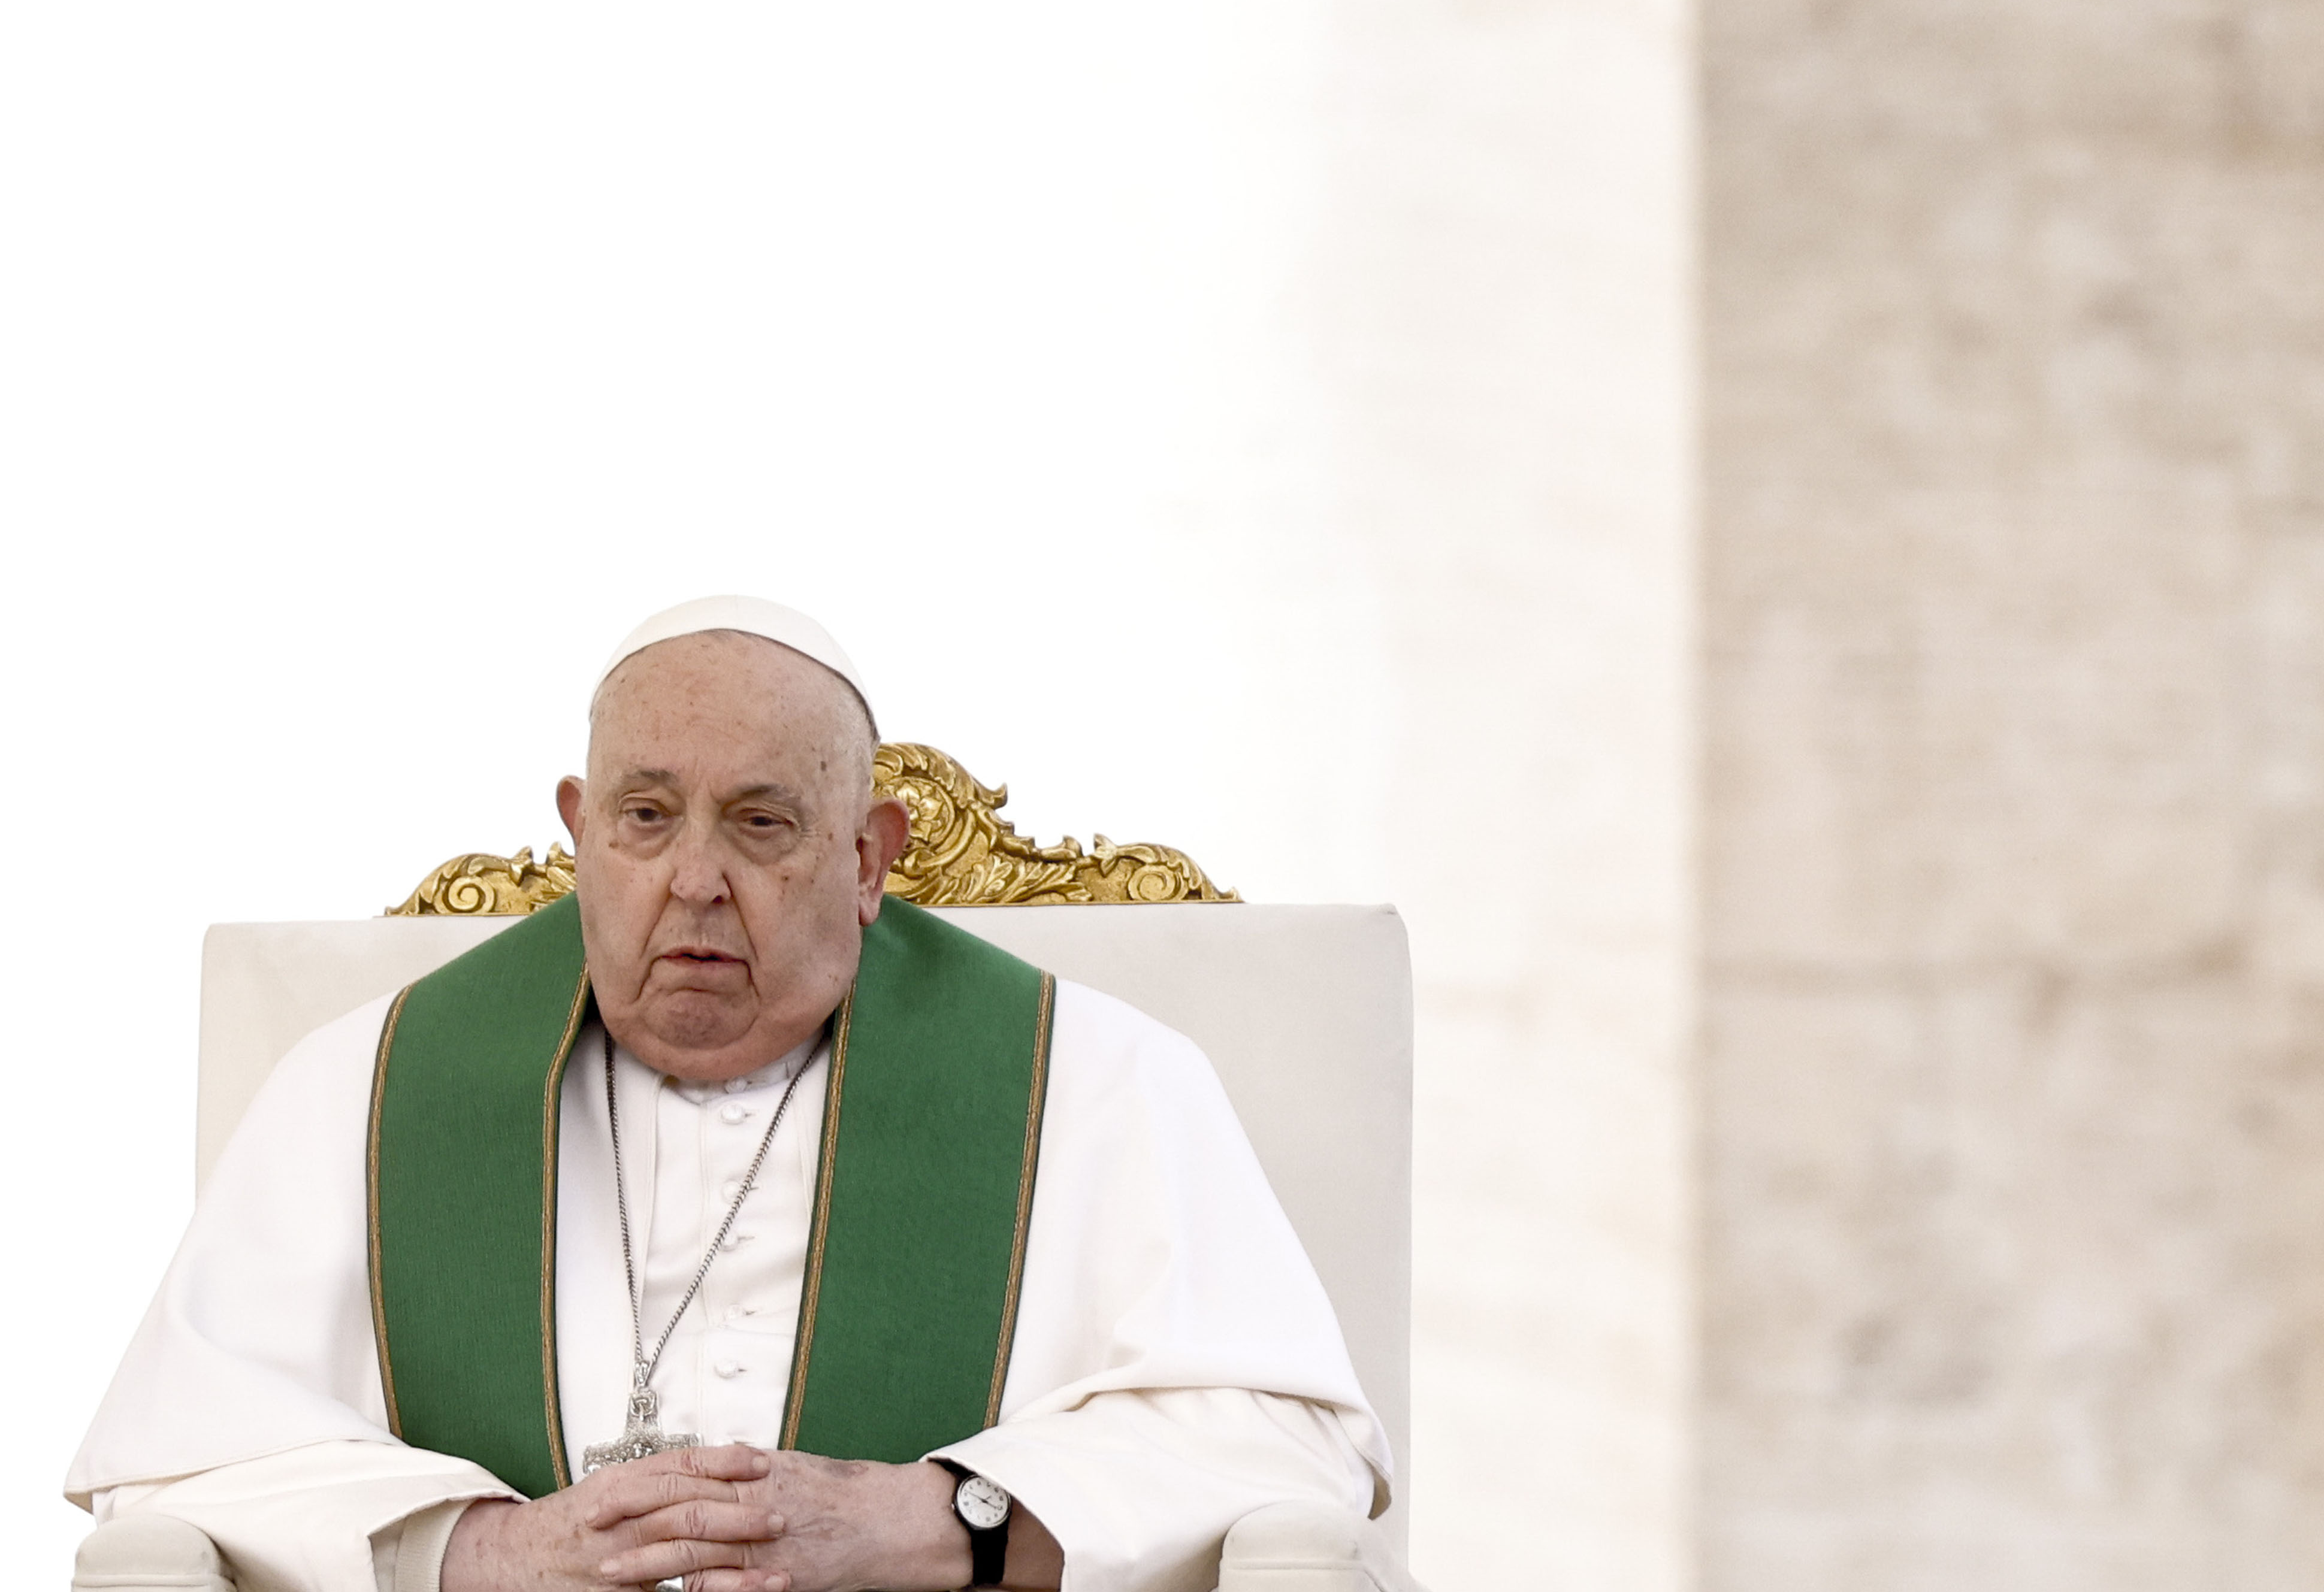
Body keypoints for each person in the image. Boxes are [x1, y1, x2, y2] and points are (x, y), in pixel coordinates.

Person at [70, 598, 1389, 1592]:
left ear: (871, 856)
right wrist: (479, 1547)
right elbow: (173, 1461)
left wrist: (942, 1521)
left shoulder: (1093, 1079)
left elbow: (1293, 1448)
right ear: (582, 828)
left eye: (762, 822)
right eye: (647, 817)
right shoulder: (365, 1085)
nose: (694, 879)